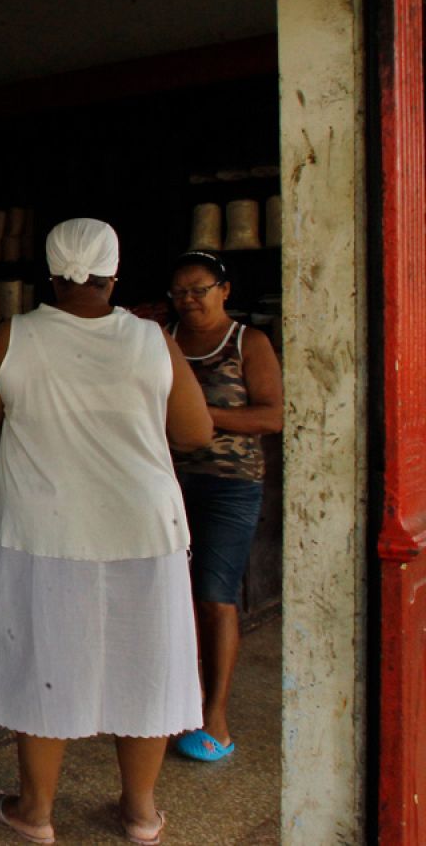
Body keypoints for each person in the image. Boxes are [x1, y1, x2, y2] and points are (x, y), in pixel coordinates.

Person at [0, 219, 212, 845]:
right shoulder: (153, 339)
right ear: (114, 274)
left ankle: (36, 813)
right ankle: (138, 813)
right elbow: (194, 432)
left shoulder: (16, 334)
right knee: (145, 664)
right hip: (143, 528)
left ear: (51, 273)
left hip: (48, 529)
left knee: (44, 660)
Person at [166, 251, 283, 763]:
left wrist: (202, 414)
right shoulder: (162, 341)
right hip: (168, 483)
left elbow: (273, 416)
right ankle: (177, 702)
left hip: (231, 486)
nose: (190, 299)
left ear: (225, 290)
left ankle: (216, 712)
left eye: (200, 289)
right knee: (174, 598)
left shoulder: (247, 343)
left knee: (216, 597)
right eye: (181, 292)